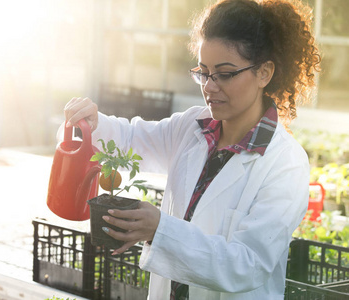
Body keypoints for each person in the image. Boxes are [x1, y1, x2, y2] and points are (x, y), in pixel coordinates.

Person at [63, 0, 321, 299]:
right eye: (204, 72)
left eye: (225, 74)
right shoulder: (192, 127)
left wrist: (161, 230)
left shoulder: (285, 163)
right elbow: (129, 138)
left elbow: (248, 265)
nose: (209, 87)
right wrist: (89, 123)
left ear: (264, 72)